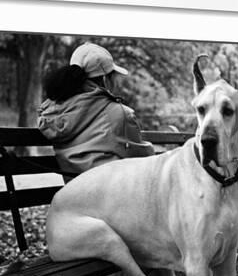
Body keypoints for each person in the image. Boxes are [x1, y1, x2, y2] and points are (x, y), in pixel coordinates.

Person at [38, 43, 155, 177]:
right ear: (105, 79)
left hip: (72, 192)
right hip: (108, 193)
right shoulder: (120, 114)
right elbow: (144, 159)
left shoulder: (53, 113)